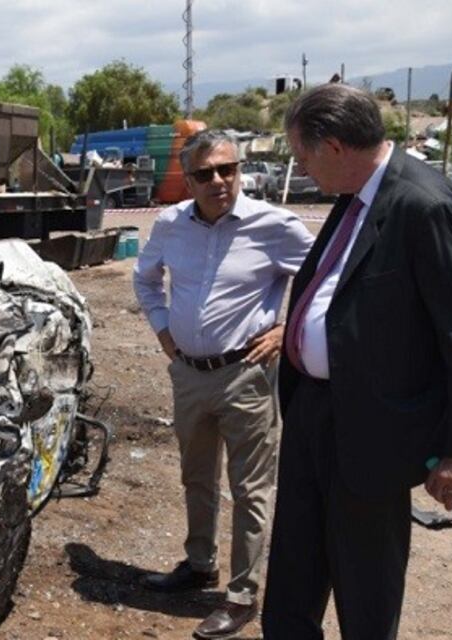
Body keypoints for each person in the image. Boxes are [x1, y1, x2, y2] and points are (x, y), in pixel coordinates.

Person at [263, 83, 452, 639]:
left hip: (374, 430)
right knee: (294, 571)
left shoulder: (423, 205)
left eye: (303, 157)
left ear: (334, 148)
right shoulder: (353, 197)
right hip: (314, 413)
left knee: (365, 585)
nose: (302, 169)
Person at [133, 130, 314, 640]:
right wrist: (164, 331)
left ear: (239, 171)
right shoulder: (171, 224)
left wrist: (286, 330)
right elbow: (145, 279)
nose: (219, 181)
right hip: (189, 374)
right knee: (196, 477)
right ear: (187, 179)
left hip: (246, 379)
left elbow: (326, 280)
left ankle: (241, 595)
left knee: (250, 489)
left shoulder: (274, 225)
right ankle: (198, 563)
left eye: (228, 169)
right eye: (205, 173)